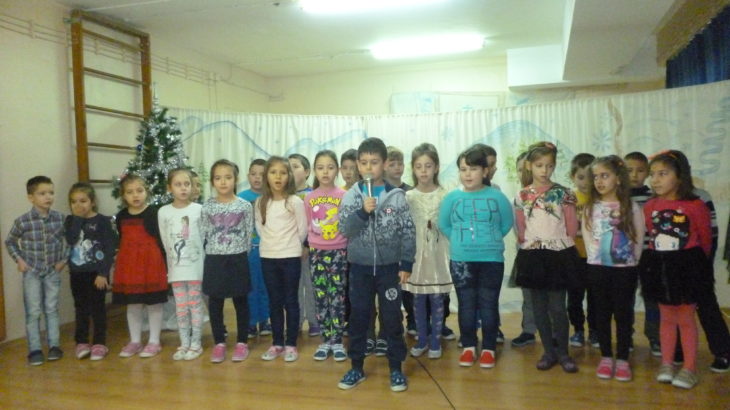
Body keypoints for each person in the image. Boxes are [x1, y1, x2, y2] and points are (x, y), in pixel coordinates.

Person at [337, 137, 416, 392]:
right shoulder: (352, 195)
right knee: (359, 317)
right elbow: (344, 229)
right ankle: (356, 367)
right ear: (358, 165)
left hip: (389, 268)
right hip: (359, 268)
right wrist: (362, 212)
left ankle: (396, 368)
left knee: (392, 318)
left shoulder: (397, 196)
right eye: (363, 163)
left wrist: (406, 263)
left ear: (384, 164)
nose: (368, 167)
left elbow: (408, 231)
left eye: (374, 162)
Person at [640, 150, 712, 389]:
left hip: (687, 267)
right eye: (653, 174)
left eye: (663, 174)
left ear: (679, 177)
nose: (655, 179)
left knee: (685, 318)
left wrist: (697, 267)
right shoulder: (650, 206)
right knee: (666, 317)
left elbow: (705, 240)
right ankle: (667, 364)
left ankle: (689, 368)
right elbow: (652, 235)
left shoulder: (695, 205)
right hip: (660, 266)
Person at [439, 146, 513, 368]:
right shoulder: (452, 198)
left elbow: (506, 224)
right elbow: (444, 224)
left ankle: (489, 348)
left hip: (491, 260)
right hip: (461, 260)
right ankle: (469, 346)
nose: (468, 174)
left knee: (489, 304)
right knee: (466, 304)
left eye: (473, 169)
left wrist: (488, 241)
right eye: (463, 169)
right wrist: (461, 242)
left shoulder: (497, 197)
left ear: (485, 171)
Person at [513, 141, 580, 373]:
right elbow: (521, 228)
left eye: (549, 166)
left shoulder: (563, 193)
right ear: (529, 166)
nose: (544, 170)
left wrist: (561, 243)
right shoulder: (522, 195)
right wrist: (527, 242)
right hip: (533, 256)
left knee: (558, 307)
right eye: (539, 165)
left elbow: (571, 226)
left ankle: (563, 352)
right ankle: (548, 352)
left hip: (558, 255)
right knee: (539, 307)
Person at [582, 156, 644, 381]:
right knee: (601, 313)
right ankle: (606, 356)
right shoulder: (591, 207)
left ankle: (623, 358)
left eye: (604, 176)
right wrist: (594, 260)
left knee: (623, 314)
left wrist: (631, 263)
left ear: (618, 179)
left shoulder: (631, 207)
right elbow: (588, 236)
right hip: (598, 268)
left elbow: (638, 238)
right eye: (596, 177)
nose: (599, 181)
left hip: (624, 270)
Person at [5, 176, 68, 365]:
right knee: (33, 311)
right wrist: (19, 260)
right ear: (31, 197)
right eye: (42, 193)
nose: (48, 197)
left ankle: (54, 346)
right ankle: (35, 350)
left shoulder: (60, 219)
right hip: (31, 272)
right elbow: (10, 241)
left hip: (52, 272)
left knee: (51, 309)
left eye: (51, 193)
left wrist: (63, 260)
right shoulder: (23, 221)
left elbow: (71, 241)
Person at [201, 159, 254, 363]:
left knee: (241, 301)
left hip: (238, 258)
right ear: (212, 182)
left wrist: (240, 251)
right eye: (218, 178)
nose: (223, 182)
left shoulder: (244, 206)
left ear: (235, 179)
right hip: (214, 259)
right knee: (215, 302)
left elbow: (248, 232)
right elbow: (203, 232)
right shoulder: (207, 206)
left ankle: (242, 342)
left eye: (228, 177)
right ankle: (219, 343)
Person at [256, 156, 308, 362]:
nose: (278, 177)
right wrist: (272, 244)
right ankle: (277, 342)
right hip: (268, 257)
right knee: (274, 301)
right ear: (266, 176)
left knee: (290, 300)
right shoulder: (260, 202)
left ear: (289, 177)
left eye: (283, 173)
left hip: (290, 257)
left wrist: (290, 246)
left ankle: (291, 344)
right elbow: (260, 228)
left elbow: (302, 230)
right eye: (273, 172)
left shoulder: (295, 202)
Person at [405, 143, 453, 360]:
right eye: (419, 166)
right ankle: (422, 339)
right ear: (413, 169)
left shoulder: (445, 195)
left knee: (437, 297)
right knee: (417, 298)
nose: (423, 171)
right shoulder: (408, 196)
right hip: (416, 252)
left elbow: (450, 223)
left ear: (436, 167)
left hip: (438, 251)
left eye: (428, 166)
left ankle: (435, 340)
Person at [113, 174, 168, 359]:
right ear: (123, 196)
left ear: (147, 192)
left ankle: (154, 341)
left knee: (154, 303)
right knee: (133, 304)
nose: (135, 195)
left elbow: (161, 240)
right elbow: (122, 238)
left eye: (139, 190)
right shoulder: (121, 216)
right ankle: (135, 341)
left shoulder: (154, 213)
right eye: (129, 192)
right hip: (130, 266)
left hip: (151, 264)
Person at [304, 150, 349, 361]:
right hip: (317, 253)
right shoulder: (309, 198)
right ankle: (325, 340)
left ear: (337, 170)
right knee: (321, 296)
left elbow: (347, 224)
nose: (325, 172)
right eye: (321, 168)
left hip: (339, 252)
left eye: (330, 167)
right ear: (315, 170)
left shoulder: (344, 196)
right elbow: (309, 224)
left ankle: (337, 341)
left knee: (337, 296)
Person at [64, 182, 116, 361]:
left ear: (92, 202)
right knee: (81, 308)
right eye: (74, 202)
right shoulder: (70, 221)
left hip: (97, 273)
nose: (78, 205)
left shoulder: (102, 221)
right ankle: (81, 342)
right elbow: (71, 239)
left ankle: (100, 342)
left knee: (98, 308)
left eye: (83, 201)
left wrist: (103, 273)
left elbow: (109, 249)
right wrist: (78, 219)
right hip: (77, 273)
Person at [159, 168, 205, 361]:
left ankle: (196, 343)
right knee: (181, 307)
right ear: (170, 188)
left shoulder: (198, 209)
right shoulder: (164, 212)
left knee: (195, 305)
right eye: (178, 185)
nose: (183, 188)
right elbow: (165, 241)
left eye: (187, 184)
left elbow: (203, 237)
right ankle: (184, 343)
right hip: (176, 269)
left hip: (194, 268)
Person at [624, 151, 660, 356]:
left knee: (652, 297)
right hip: (625, 257)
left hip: (649, 255)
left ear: (647, 172)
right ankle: (626, 335)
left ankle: (654, 336)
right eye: (629, 170)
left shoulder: (653, 198)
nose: (634, 175)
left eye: (640, 170)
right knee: (625, 298)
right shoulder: (618, 197)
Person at [238, 159, 272, 338]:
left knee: (266, 286)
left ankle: (265, 320)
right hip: (249, 250)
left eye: (262, 174)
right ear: (248, 176)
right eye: (253, 174)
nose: (257, 178)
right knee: (250, 286)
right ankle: (251, 322)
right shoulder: (241, 198)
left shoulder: (271, 196)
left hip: (268, 249)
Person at [385, 145, 416, 342]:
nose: (397, 167)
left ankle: (414, 321)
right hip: (388, 251)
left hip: (407, 248)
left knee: (410, 288)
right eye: (392, 164)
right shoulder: (382, 191)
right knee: (392, 292)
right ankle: (393, 325)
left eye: (400, 163)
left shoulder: (411, 191)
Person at [568, 153, 598, 348]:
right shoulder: (569, 198)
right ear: (572, 177)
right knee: (574, 297)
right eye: (580, 177)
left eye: (590, 177)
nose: (585, 182)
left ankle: (595, 331)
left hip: (595, 257)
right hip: (573, 256)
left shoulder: (600, 198)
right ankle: (578, 330)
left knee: (595, 297)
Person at [289, 153, 320, 337]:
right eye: (288, 167)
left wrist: (307, 245)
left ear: (307, 171)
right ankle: (297, 320)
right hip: (288, 249)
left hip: (310, 249)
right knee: (294, 286)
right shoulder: (284, 196)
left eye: (295, 166)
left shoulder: (313, 195)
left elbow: (315, 223)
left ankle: (314, 320)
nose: (291, 171)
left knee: (311, 284)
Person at [509, 152, 537, 347]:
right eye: (519, 170)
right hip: (526, 253)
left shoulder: (551, 195)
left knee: (551, 297)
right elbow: (516, 229)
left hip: (549, 254)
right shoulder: (517, 199)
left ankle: (554, 333)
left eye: (526, 169)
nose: (523, 174)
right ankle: (528, 330)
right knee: (528, 296)